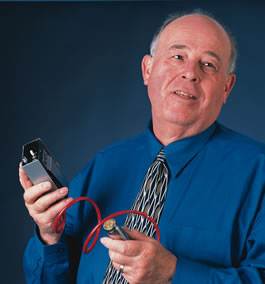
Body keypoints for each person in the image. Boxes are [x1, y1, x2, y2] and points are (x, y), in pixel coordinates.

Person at [20, 10, 265, 284]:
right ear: (148, 70)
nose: (190, 73)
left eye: (208, 64)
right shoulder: (104, 165)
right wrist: (49, 235)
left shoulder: (259, 173)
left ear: (227, 88)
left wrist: (174, 273)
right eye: (178, 56)